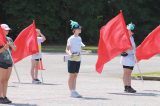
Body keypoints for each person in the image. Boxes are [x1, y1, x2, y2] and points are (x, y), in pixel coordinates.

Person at [65, 20, 85, 98]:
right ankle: (71, 91)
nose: (80, 29)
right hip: (72, 59)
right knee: (71, 75)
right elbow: (67, 49)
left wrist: (83, 51)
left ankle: (74, 90)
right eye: (78, 28)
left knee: (75, 75)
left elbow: (79, 48)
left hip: (78, 59)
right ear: (74, 30)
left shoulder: (79, 38)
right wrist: (70, 54)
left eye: (80, 28)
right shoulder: (71, 39)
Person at [0, 24, 16, 104]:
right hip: (1, 61)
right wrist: (4, 47)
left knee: (6, 80)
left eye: (8, 29)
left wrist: (11, 44)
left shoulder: (9, 39)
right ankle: (0, 97)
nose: (7, 31)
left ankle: (4, 96)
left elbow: (15, 49)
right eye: (5, 29)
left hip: (9, 61)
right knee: (1, 80)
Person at [120, 23, 136, 93]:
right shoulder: (125, 38)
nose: (132, 32)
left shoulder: (132, 38)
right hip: (126, 57)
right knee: (126, 73)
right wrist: (128, 48)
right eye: (130, 30)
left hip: (131, 57)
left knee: (129, 73)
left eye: (132, 30)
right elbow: (121, 48)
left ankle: (128, 86)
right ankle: (126, 86)